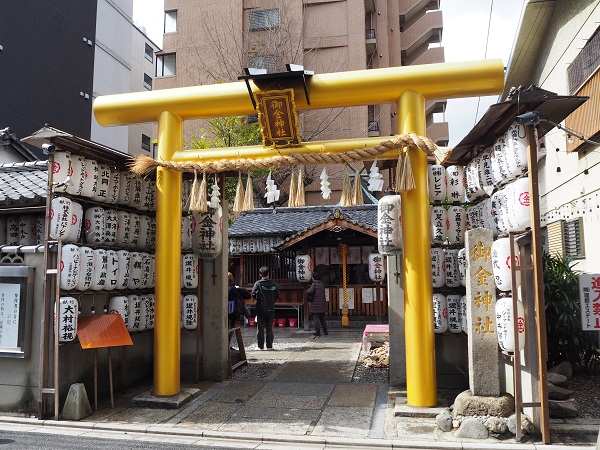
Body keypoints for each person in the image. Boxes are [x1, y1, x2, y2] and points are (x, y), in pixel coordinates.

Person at [251, 266, 279, 350]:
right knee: (269, 327)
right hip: (271, 308)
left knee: (260, 327)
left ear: (260, 274)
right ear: (268, 274)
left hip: (260, 308)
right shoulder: (274, 284)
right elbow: (277, 295)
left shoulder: (258, 284)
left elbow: (253, 295)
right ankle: (269, 346)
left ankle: (260, 346)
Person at [306, 271, 328, 337]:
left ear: (313, 277)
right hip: (322, 304)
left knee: (315, 318)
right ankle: (325, 331)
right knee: (322, 318)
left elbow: (310, 291)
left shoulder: (314, 284)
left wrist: (307, 290)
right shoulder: (321, 284)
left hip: (315, 304)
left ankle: (317, 331)